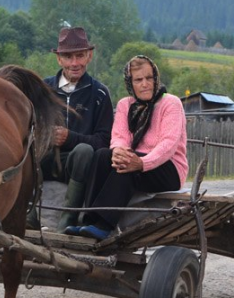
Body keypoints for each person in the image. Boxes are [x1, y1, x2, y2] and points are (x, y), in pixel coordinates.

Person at [70, 55, 188, 240]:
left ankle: (105, 225)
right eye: (138, 80)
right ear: (130, 83)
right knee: (101, 155)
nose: (145, 84)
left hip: (168, 167)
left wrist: (141, 163)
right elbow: (119, 137)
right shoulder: (126, 104)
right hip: (136, 160)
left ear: (156, 78)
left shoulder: (170, 103)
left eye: (149, 78)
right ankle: (89, 220)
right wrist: (118, 151)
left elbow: (168, 144)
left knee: (127, 166)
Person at [28, 26, 114, 233]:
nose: (74, 63)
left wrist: (70, 138)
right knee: (26, 147)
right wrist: (45, 137)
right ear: (59, 59)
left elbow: (104, 141)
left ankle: (68, 218)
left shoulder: (99, 93)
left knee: (84, 150)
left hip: (78, 166)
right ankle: (29, 215)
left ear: (89, 56)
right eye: (68, 57)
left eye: (80, 56)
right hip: (44, 160)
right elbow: (29, 127)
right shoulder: (44, 90)